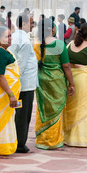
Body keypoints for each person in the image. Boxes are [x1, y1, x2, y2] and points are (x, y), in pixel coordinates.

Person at [33, 18, 75, 150]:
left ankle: (42, 139)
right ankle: (53, 141)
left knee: (43, 108)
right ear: (53, 29)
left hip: (41, 80)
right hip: (57, 80)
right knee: (56, 110)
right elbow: (66, 66)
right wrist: (72, 83)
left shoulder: (36, 45)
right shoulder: (59, 44)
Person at [0, 26, 20, 155]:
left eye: (11, 36)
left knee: (5, 119)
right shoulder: (0, 52)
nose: (10, 39)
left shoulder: (0, 50)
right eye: (7, 36)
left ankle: (3, 147)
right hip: (1, 94)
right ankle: (0, 148)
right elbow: (0, 75)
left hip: (1, 92)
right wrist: (11, 95)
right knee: (1, 121)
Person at [9, 12, 37, 153]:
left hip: (20, 83)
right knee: (23, 114)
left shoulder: (16, 36)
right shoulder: (24, 40)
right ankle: (20, 143)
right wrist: (17, 83)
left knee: (19, 113)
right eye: (31, 23)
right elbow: (21, 64)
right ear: (25, 24)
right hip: (24, 85)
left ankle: (16, 140)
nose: (33, 26)